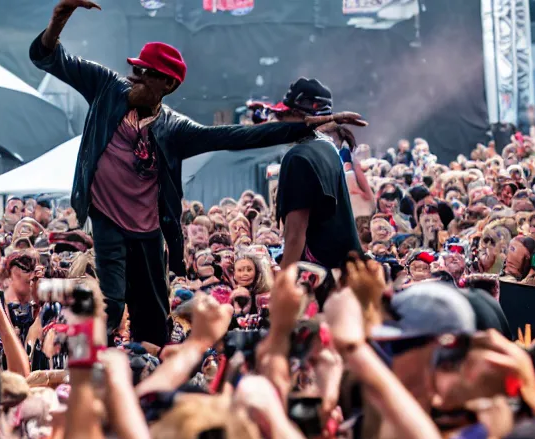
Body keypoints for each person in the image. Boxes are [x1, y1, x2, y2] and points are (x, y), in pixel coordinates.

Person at [30, 0, 365, 345]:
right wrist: (59, 18)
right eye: (137, 69)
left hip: (148, 231)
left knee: (154, 317)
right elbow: (50, 58)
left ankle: (148, 374)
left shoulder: (174, 129)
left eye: (146, 74)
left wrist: (305, 126)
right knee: (113, 300)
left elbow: (236, 137)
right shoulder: (106, 89)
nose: (136, 77)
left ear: (168, 84)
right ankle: (79, 363)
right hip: (107, 220)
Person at [274, 78, 363, 269]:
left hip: (322, 278)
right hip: (346, 272)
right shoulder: (327, 148)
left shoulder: (299, 157)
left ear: (305, 117)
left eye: (286, 115)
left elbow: (295, 235)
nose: (279, 121)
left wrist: (282, 284)